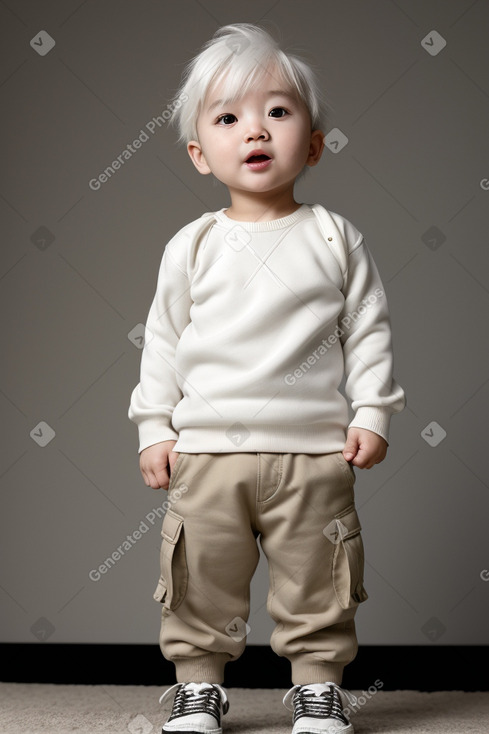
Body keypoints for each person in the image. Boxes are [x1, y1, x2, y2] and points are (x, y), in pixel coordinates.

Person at [128, 22, 406, 734]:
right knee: (199, 577)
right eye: (228, 118)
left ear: (313, 143)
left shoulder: (333, 237)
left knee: (319, 577)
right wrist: (154, 427)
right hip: (208, 454)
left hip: (312, 453)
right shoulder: (191, 245)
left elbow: (368, 328)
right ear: (199, 152)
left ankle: (317, 688)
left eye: (278, 112)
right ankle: (197, 688)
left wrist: (370, 412)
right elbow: (162, 340)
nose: (255, 131)